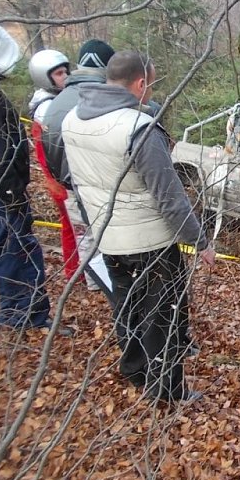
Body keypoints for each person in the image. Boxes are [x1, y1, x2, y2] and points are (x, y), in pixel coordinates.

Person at [62, 51, 215, 402]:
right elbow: (170, 197)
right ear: (141, 84)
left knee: (127, 307)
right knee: (163, 316)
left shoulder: (73, 118)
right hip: (152, 244)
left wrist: (94, 226)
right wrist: (201, 242)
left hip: (110, 238)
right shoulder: (139, 129)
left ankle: (135, 369)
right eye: (152, 84)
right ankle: (167, 392)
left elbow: (77, 181)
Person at [0, 24, 67, 334]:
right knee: (14, 250)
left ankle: (23, 311)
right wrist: (12, 196)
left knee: (9, 249)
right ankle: (24, 315)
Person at [42, 39, 116, 295]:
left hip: (71, 189)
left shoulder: (54, 105)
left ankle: (96, 288)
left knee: (86, 242)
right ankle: (113, 292)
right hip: (100, 187)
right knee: (110, 242)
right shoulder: (101, 102)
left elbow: (48, 150)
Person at [27, 49, 81, 281]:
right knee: (75, 227)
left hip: (58, 176)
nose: (65, 76)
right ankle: (77, 273)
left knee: (71, 227)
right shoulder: (46, 108)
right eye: (59, 73)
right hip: (60, 177)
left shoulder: (49, 102)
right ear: (45, 77)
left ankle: (74, 271)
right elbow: (52, 150)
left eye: (65, 71)